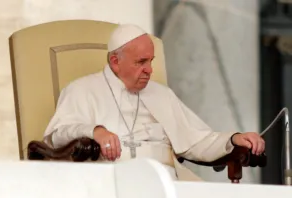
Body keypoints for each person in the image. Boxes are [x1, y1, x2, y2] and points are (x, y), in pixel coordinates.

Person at [43, 24, 265, 181]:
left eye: (151, 61)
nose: (149, 70)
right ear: (115, 61)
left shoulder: (161, 94)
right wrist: (95, 131)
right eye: (141, 62)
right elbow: (57, 135)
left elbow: (196, 139)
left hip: (165, 184)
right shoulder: (82, 90)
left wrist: (234, 139)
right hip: (111, 184)